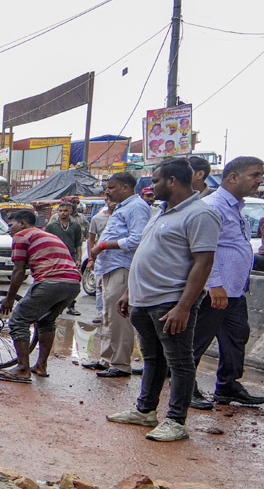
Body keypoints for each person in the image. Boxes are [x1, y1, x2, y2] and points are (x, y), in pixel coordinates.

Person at [107, 159, 220, 442]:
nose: (151, 186)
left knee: (179, 361)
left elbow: (203, 263)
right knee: (153, 359)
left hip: (171, 301)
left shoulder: (199, 214)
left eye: (155, 180)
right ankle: (146, 411)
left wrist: (183, 306)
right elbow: (146, 251)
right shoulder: (159, 212)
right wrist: (129, 292)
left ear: (172, 181)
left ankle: (176, 420)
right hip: (143, 300)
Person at [189, 156, 264, 409]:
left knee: (236, 339)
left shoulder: (237, 209)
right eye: (254, 175)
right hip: (215, 290)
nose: (259, 180)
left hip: (234, 291)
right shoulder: (213, 206)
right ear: (233, 177)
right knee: (197, 340)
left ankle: (227, 387)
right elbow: (203, 250)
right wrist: (214, 284)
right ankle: (185, 388)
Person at [0, 209, 82, 383]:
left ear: (22, 223)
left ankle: (22, 369)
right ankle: (41, 366)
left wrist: (10, 298)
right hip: (72, 283)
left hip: (50, 281)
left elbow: (18, 271)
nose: (9, 230)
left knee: (18, 320)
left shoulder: (21, 235)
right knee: (46, 321)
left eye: (11, 225)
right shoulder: (46, 234)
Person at [85, 173, 150, 378]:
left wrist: (103, 246)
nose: (108, 191)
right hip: (110, 267)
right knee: (107, 315)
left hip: (123, 267)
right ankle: (107, 359)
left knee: (120, 318)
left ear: (125, 187)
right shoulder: (121, 207)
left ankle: (121, 364)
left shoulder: (137, 207)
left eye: (111, 187)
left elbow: (138, 239)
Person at [44, 201, 83, 316]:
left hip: (71, 257)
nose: (62, 213)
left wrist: (79, 259)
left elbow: (78, 244)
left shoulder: (75, 226)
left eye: (65, 211)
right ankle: (53, 306)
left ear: (70, 211)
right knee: (54, 281)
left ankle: (71, 306)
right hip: (55, 258)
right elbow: (46, 243)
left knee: (72, 282)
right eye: (60, 211)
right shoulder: (51, 226)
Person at [86, 198, 115, 323]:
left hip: (118, 258)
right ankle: (100, 312)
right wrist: (90, 258)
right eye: (111, 200)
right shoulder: (97, 219)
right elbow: (91, 239)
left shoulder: (122, 217)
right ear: (106, 201)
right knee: (99, 286)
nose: (114, 203)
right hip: (101, 257)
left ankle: (114, 313)